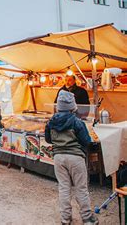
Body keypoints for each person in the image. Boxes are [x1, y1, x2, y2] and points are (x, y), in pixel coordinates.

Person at [45, 90, 98, 225]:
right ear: (72, 106)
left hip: (58, 158)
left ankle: (65, 218)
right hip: (75, 158)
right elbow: (86, 141)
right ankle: (87, 219)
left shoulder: (51, 122)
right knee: (81, 188)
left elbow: (48, 139)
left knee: (64, 188)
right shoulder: (77, 122)